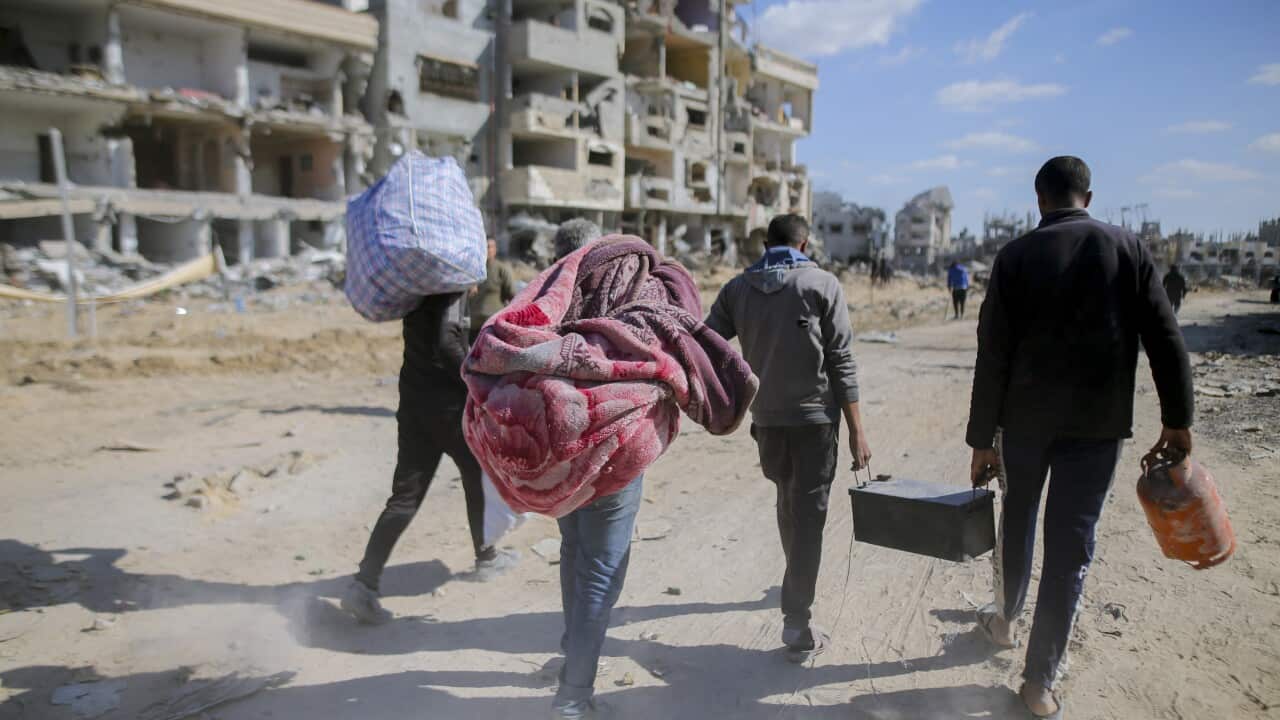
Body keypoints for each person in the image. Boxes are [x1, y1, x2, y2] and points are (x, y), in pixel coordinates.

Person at [967, 156, 1194, 719]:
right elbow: (1165, 338)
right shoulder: (1128, 249)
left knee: (1018, 517)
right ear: (1087, 199)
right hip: (1098, 427)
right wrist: (1177, 419)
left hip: (1024, 424)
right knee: (1071, 546)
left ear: (1039, 199)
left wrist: (981, 439)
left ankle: (1004, 621)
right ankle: (1039, 684)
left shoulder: (1015, 256)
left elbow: (992, 353)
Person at [706, 214, 872, 663]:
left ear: (767, 243)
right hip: (815, 420)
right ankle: (797, 621)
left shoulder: (737, 289)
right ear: (804, 243)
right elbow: (841, 360)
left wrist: (733, 393)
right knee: (809, 517)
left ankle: (795, 585)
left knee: (787, 501)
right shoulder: (822, 284)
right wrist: (857, 430)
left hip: (767, 421)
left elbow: (707, 344)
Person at [342, 292, 518, 625]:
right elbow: (445, 340)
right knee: (478, 475)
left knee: (405, 497)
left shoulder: (417, 291)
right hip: (448, 410)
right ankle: (487, 558)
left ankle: (363, 585)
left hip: (414, 405)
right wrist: (475, 378)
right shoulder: (451, 290)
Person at [547, 217, 627, 720]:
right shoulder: (621, 298)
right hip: (610, 453)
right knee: (602, 567)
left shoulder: (539, 302)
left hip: (558, 452)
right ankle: (574, 696)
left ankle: (572, 648)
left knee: (575, 549)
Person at [470, 238, 517, 342]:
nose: (487, 250)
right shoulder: (473, 269)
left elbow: (512, 296)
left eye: (489, 247)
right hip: (473, 324)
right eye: (484, 247)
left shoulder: (501, 269)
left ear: (495, 250)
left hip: (492, 324)